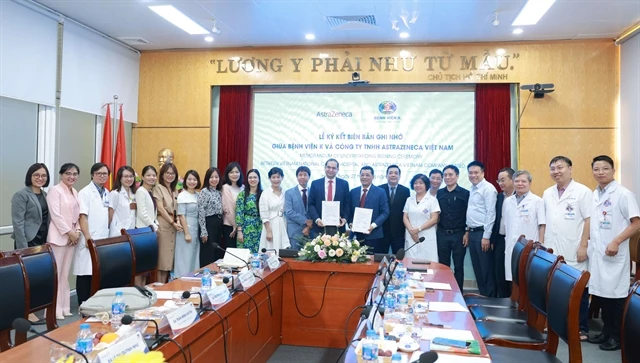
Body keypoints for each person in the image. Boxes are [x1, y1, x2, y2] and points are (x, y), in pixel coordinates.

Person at [587, 155, 640, 351]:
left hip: (614, 253)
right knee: (602, 296)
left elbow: (636, 223)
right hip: (599, 254)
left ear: (613, 170)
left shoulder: (624, 194)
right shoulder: (596, 194)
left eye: (605, 169)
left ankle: (617, 337)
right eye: (596, 169)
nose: (600, 172)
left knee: (616, 297)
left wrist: (616, 241)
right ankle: (606, 332)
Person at [542, 156, 591, 339]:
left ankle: (581, 327)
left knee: (577, 288)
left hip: (574, 248)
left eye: (560, 167)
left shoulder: (582, 192)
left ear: (570, 169)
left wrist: (583, 245)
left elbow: (589, 219)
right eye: (553, 168)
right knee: (555, 288)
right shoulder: (548, 193)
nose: (556, 171)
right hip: (553, 248)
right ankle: (556, 324)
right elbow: (545, 221)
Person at [46, 163, 80, 320]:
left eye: (74, 174)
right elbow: (56, 215)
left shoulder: (75, 191)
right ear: (61, 175)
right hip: (58, 238)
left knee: (65, 274)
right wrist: (69, 233)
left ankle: (65, 307)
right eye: (68, 173)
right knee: (56, 274)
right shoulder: (55, 190)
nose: (71, 176)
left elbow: (78, 215)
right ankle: (54, 310)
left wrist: (77, 232)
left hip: (72, 238)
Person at [75, 163, 110, 306]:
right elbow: (82, 216)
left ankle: (95, 304)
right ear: (92, 175)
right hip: (89, 237)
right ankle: (82, 304)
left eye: (105, 174)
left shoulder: (106, 192)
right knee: (85, 272)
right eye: (99, 173)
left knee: (97, 272)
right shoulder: (85, 192)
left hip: (102, 237)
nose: (102, 176)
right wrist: (88, 237)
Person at [500, 170, 545, 284]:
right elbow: (505, 223)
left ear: (530, 183)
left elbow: (542, 224)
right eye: (517, 181)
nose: (520, 184)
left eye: (523, 181)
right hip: (511, 245)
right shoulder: (507, 201)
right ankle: (515, 302)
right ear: (513, 182)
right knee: (513, 280)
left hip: (530, 247)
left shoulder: (537, 201)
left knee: (527, 280)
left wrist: (540, 244)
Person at [436, 165, 470, 292]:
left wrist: (467, 232)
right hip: (442, 233)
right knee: (444, 266)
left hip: (459, 234)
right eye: (445, 175)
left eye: (450, 175)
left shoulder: (465, 193)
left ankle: (458, 292)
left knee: (459, 266)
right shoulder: (439, 193)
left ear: (457, 176)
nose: (447, 177)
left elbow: (469, 214)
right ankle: (445, 291)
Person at [466, 161, 498, 297]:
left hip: (482, 234)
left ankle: (490, 299)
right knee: (477, 268)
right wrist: (467, 230)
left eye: (476, 172)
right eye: (470, 173)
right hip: (473, 233)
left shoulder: (488, 189)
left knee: (486, 269)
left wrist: (486, 236)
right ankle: (482, 297)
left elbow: (491, 213)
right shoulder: (473, 189)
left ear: (483, 173)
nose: (473, 175)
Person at [348, 166, 389, 253]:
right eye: (362, 175)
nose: (364, 177)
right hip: (355, 235)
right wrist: (350, 222)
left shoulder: (380, 192)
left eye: (367, 175)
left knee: (371, 264)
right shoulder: (353, 191)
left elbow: (385, 212)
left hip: (373, 235)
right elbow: (349, 211)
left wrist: (373, 225)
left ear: (373, 177)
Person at [153, 163, 182, 283]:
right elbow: (160, 208)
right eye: (167, 173)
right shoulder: (158, 188)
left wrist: (178, 221)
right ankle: (160, 288)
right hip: (164, 225)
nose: (170, 175)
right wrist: (172, 222)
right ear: (162, 174)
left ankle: (166, 286)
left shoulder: (175, 190)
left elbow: (178, 209)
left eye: (172, 173)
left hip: (174, 226)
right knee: (163, 261)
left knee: (170, 261)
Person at [11, 163, 51, 249]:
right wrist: (22, 246)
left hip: (43, 240)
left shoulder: (46, 195)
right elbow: (18, 223)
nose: (40, 178)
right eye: (36, 175)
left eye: (44, 175)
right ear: (30, 176)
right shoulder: (21, 195)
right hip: (29, 241)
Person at [307, 158, 350, 236]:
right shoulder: (315, 184)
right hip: (319, 226)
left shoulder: (344, 184)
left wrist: (345, 219)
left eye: (334, 168)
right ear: (324, 168)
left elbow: (347, 204)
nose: (331, 170)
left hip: (338, 226)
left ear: (338, 169)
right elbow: (311, 204)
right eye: (328, 167)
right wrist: (317, 219)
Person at [403, 174, 440, 260]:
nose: (418, 185)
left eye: (421, 183)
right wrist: (412, 232)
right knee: (410, 264)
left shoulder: (432, 200)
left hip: (426, 236)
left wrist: (418, 229)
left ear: (426, 185)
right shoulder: (409, 200)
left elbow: (434, 219)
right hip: (411, 236)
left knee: (428, 265)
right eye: (415, 183)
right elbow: (405, 217)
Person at [174, 170, 201, 277]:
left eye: (194, 179)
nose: (192, 182)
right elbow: (181, 215)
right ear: (186, 181)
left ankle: (193, 278)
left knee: (194, 255)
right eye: (189, 179)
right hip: (186, 228)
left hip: (196, 228)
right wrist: (186, 233)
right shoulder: (182, 195)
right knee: (184, 256)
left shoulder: (198, 195)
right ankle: (181, 278)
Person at [379, 165, 411, 254]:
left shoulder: (405, 191)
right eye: (390, 173)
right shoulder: (379, 189)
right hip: (382, 231)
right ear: (386, 175)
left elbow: (407, 211)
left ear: (399, 176)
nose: (393, 175)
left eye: (396, 173)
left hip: (399, 232)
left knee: (399, 260)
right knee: (380, 258)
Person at [493, 167, 515, 298]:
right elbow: (496, 219)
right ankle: (503, 297)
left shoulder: (519, 197)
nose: (500, 183)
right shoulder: (499, 197)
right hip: (501, 239)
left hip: (515, 239)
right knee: (500, 270)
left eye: (503, 180)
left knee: (514, 271)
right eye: (498, 180)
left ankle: (514, 298)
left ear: (512, 180)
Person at [260, 167, 290, 251]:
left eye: (278, 177)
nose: (276, 179)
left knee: (282, 248)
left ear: (282, 177)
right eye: (273, 177)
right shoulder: (265, 193)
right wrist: (269, 231)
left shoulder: (285, 192)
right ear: (269, 178)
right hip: (270, 224)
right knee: (270, 249)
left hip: (283, 223)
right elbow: (263, 214)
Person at [198, 167, 223, 267]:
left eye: (216, 177)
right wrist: (203, 231)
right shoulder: (204, 192)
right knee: (208, 253)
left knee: (216, 253)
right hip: (208, 224)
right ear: (207, 179)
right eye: (211, 177)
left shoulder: (218, 192)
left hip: (218, 224)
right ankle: (206, 275)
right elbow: (201, 212)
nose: (214, 179)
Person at [284, 166, 312, 249]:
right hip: (294, 232)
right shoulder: (289, 193)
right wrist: (305, 221)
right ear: (297, 177)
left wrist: (309, 226)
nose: (302, 177)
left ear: (309, 177)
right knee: (294, 259)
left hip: (311, 232)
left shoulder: (313, 192)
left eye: (305, 175)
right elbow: (289, 212)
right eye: (300, 175)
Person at [236, 169, 263, 253]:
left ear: (259, 179)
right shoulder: (242, 194)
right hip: (245, 227)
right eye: (250, 177)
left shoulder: (263, 194)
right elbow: (239, 213)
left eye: (255, 177)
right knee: (244, 253)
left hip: (260, 227)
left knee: (258, 252)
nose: (252, 179)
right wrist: (239, 231)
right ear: (247, 179)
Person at [221, 162, 244, 253]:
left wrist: (239, 227)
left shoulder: (243, 188)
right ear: (227, 174)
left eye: (236, 172)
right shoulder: (225, 188)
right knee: (231, 252)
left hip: (241, 227)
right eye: (231, 172)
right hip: (230, 226)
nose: (234, 174)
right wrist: (235, 225)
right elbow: (227, 208)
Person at [108, 166, 137, 237]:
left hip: (132, 231)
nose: (129, 179)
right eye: (126, 176)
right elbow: (110, 215)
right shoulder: (115, 194)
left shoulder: (135, 193)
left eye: (131, 176)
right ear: (120, 178)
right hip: (118, 232)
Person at [135, 165, 159, 231]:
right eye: (148, 175)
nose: (151, 177)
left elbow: (152, 213)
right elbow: (142, 214)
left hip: (150, 228)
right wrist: (154, 226)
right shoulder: (141, 191)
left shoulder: (150, 191)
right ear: (142, 177)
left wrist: (156, 223)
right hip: (143, 229)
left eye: (154, 175)